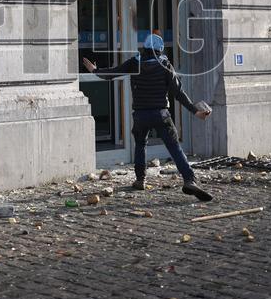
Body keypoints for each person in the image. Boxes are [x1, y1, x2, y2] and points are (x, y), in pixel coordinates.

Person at [82, 33, 214, 202]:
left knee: (140, 145)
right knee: (174, 148)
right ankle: (189, 179)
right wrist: (195, 111)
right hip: (161, 114)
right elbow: (178, 93)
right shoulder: (165, 64)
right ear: (160, 51)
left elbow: (111, 74)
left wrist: (95, 70)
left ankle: (140, 180)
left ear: (144, 49)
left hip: (140, 115)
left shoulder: (135, 62)